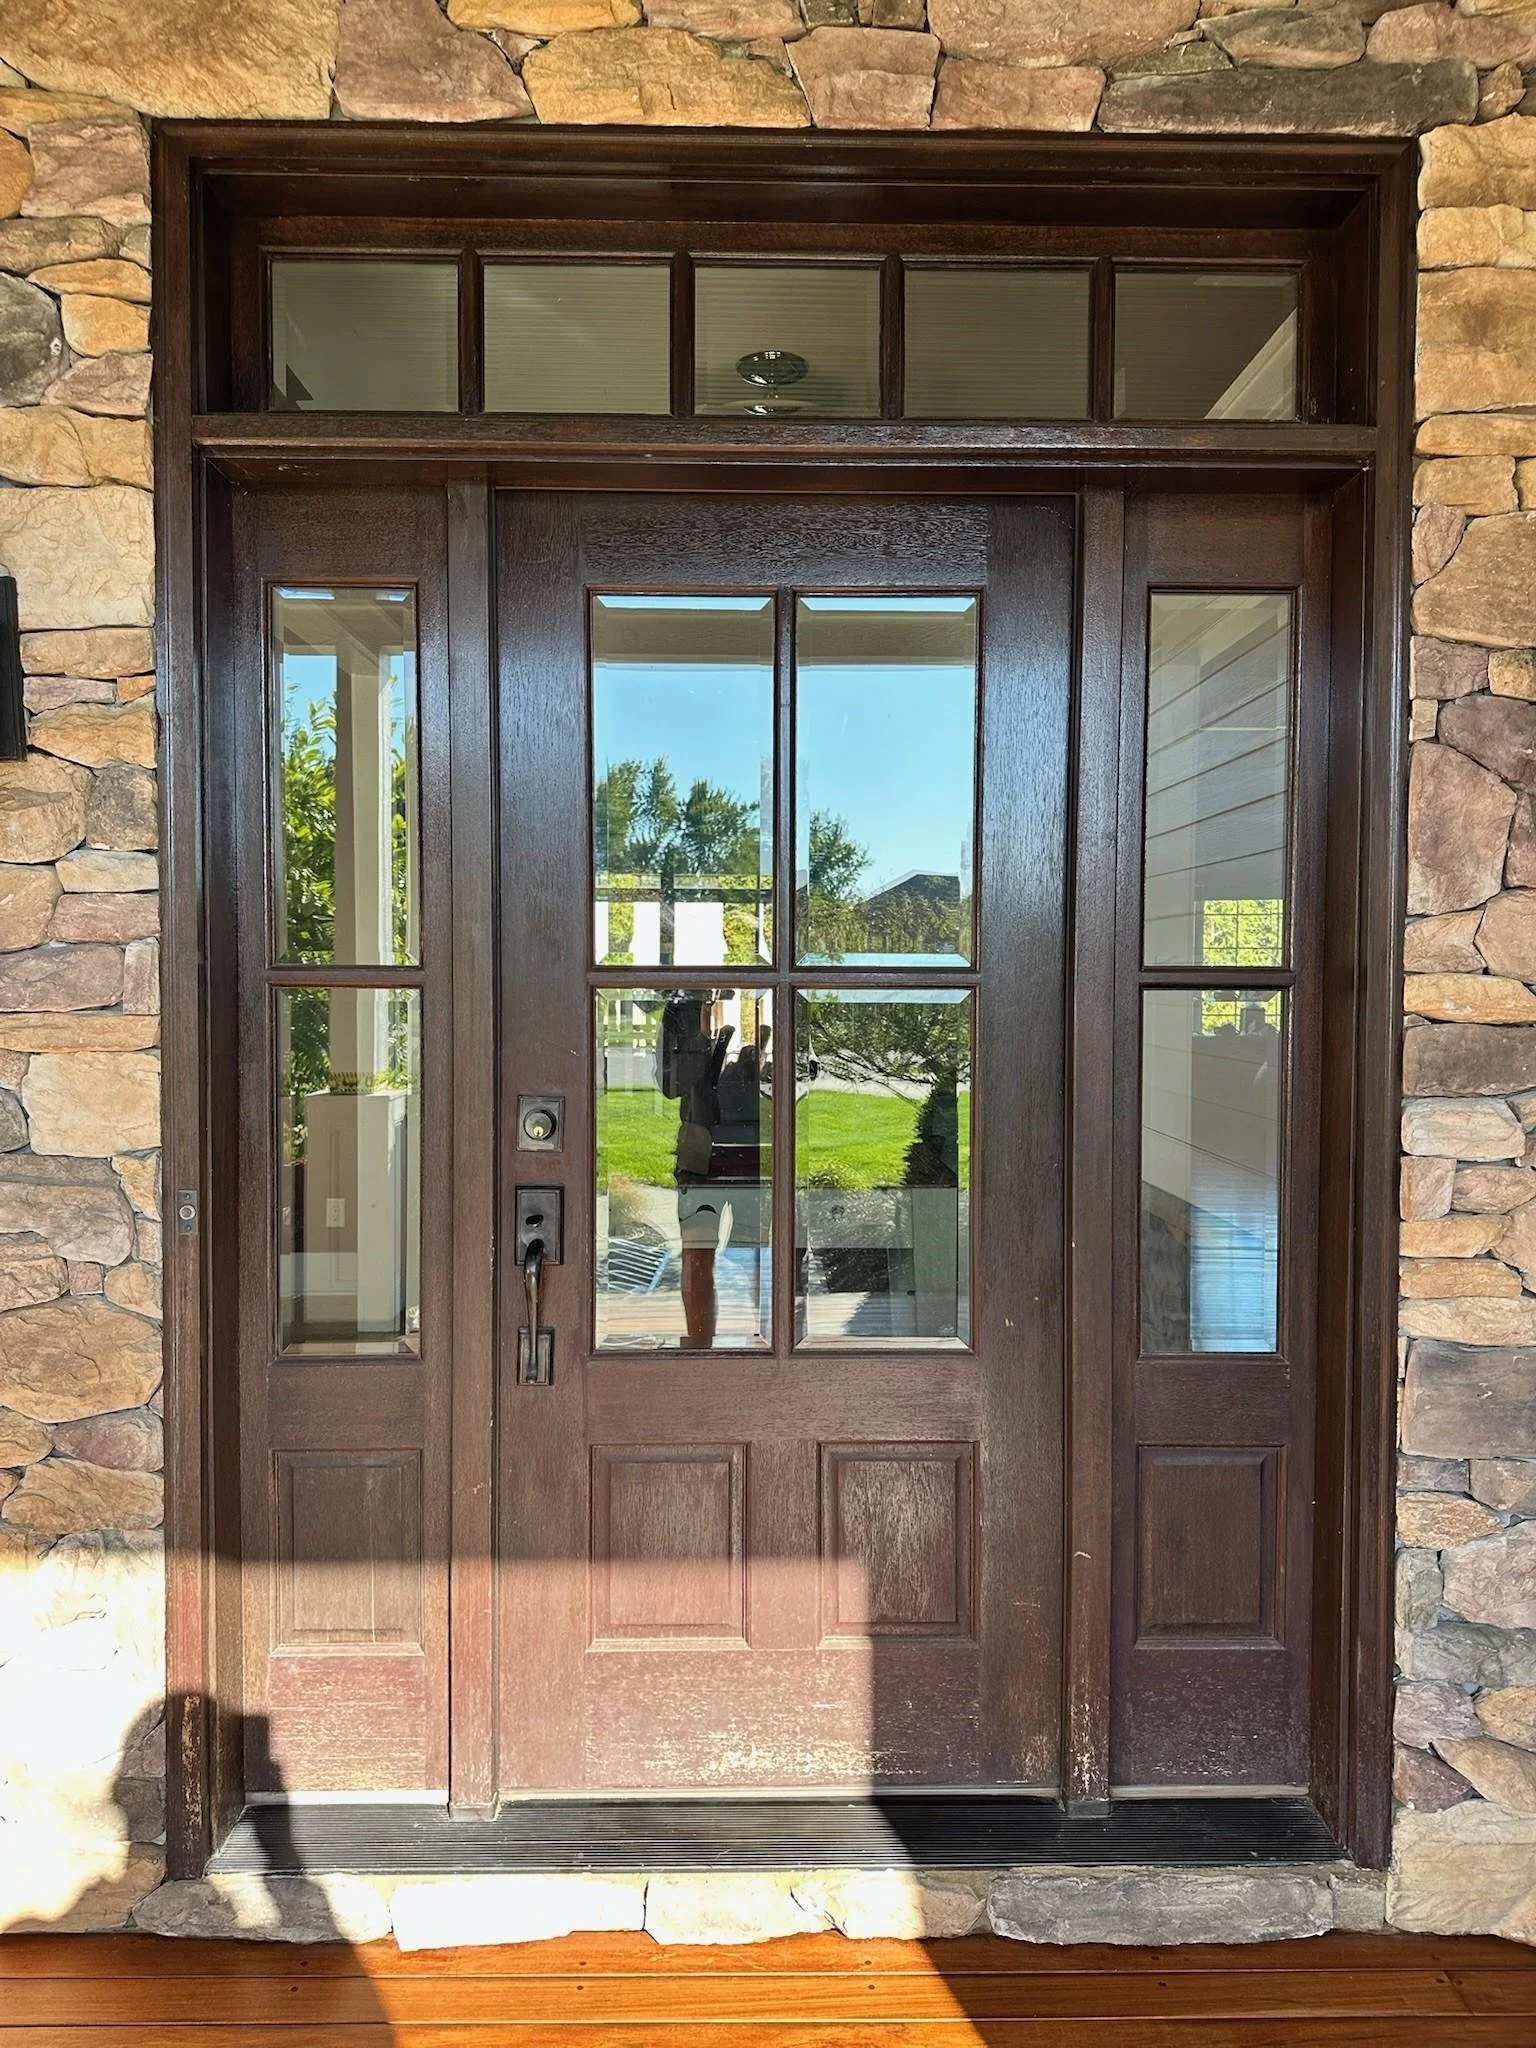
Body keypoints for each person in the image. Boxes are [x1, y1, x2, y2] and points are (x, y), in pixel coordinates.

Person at [658, 993, 766, 1349]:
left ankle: (771, 1344)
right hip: (700, 1152)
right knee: (697, 1253)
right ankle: (699, 1343)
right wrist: (701, 1038)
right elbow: (671, 1085)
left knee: (758, 1253)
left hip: (758, 1147)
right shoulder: (681, 1010)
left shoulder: (764, 999)